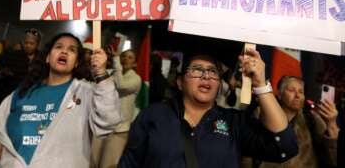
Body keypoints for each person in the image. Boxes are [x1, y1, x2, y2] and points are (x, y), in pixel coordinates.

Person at [118, 49, 298, 168]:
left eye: (213, 72)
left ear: (219, 84)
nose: (206, 76)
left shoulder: (234, 122)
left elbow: (284, 146)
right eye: (196, 70)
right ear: (180, 82)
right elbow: (129, 163)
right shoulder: (153, 115)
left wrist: (260, 84)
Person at [0, 33, 121, 167]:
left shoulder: (85, 93)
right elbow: (0, 127)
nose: (64, 52)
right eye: (59, 47)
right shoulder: (22, 91)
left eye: (72, 50)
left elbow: (108, 120)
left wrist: (101, 74)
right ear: (48, 57)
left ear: (77, 62)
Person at [257, 76, 339, 168]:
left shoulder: (311, 119)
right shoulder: (262, 115)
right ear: (279, 94)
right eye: (292, 90)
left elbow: (333, 159)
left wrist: (331, 124)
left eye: (301, 92)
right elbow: (247, 155)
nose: (297, 95)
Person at [91, 48, 141, 168]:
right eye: (123, 56)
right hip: (101, 126)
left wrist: (116, 61)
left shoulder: (136, 79)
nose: (125, 59)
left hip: (119, 130)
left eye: (130, 57)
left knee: (107, 165)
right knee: (91, 162)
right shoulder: (112, 73)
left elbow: (121, 85)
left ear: (135, 63)